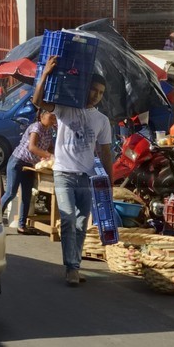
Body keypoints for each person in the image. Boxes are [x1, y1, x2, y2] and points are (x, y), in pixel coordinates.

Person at [32, 55, 114, 287]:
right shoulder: (65, 109)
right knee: (67, 219)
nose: (96, 95)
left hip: (86, 177)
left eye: (101, 92)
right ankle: (71, 268)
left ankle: (74, 265)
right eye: (93, 90)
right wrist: (45, 74)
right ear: (85, 88)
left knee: (80, 224)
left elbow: (105, 152)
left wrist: (109, 182)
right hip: (63, 174)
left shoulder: (102, 120)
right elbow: (38, 101)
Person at [1, 110, 56, 233]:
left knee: (27, 196)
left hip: (30, 165)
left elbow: (50, 147)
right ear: (42, 116)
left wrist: (53, 154)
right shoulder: (36, 127)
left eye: (54, 118)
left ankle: (22, 225)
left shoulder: (49, 131)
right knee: (11, 193)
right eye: (51, 117)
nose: (53, 120)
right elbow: (32, 147)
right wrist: (49, 155)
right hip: (18, 161)